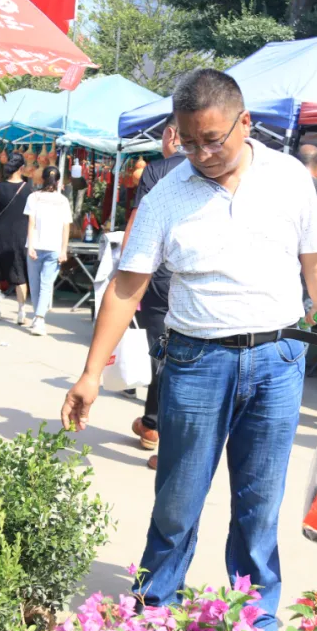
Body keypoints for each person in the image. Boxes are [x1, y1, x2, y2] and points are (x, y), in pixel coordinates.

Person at [61, 69, 317, 631]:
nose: (202, 153)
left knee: (258, 506)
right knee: (178, 502)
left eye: (214, 139)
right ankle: (154, 614)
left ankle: (258, 626)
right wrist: (89, 373)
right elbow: (127, 286)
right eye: (189, 140)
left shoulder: (289, 179)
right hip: (195, 362)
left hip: (277, 363)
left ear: (245, 122)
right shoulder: (166, 195)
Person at [123, 115, 185, 470]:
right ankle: (151, 424)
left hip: (160, 278)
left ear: (171, 135)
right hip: (197, 282)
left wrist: (125, 275)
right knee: (180, 357)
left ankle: (164, 438)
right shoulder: (220, 171)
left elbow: (137, 224)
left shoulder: (156, 171)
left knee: (164, 355)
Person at [0, 160, 32, 323]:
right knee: (19, 273)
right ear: (21, 169)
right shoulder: (29, 189)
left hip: (0, 234)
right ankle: (21, 312)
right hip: (21, 234)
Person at [25, 166, 71, 337]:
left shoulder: (33, 197)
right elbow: (66, 227)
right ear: (58, 181)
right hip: (54, 246)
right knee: (46, 284)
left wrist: (30, 245)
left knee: (35, 284)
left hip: (35, 245)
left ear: (42, 178)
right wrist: (64, 250)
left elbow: (31, 223)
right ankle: (39, 318)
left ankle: (38, 317)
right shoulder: (63, 200)